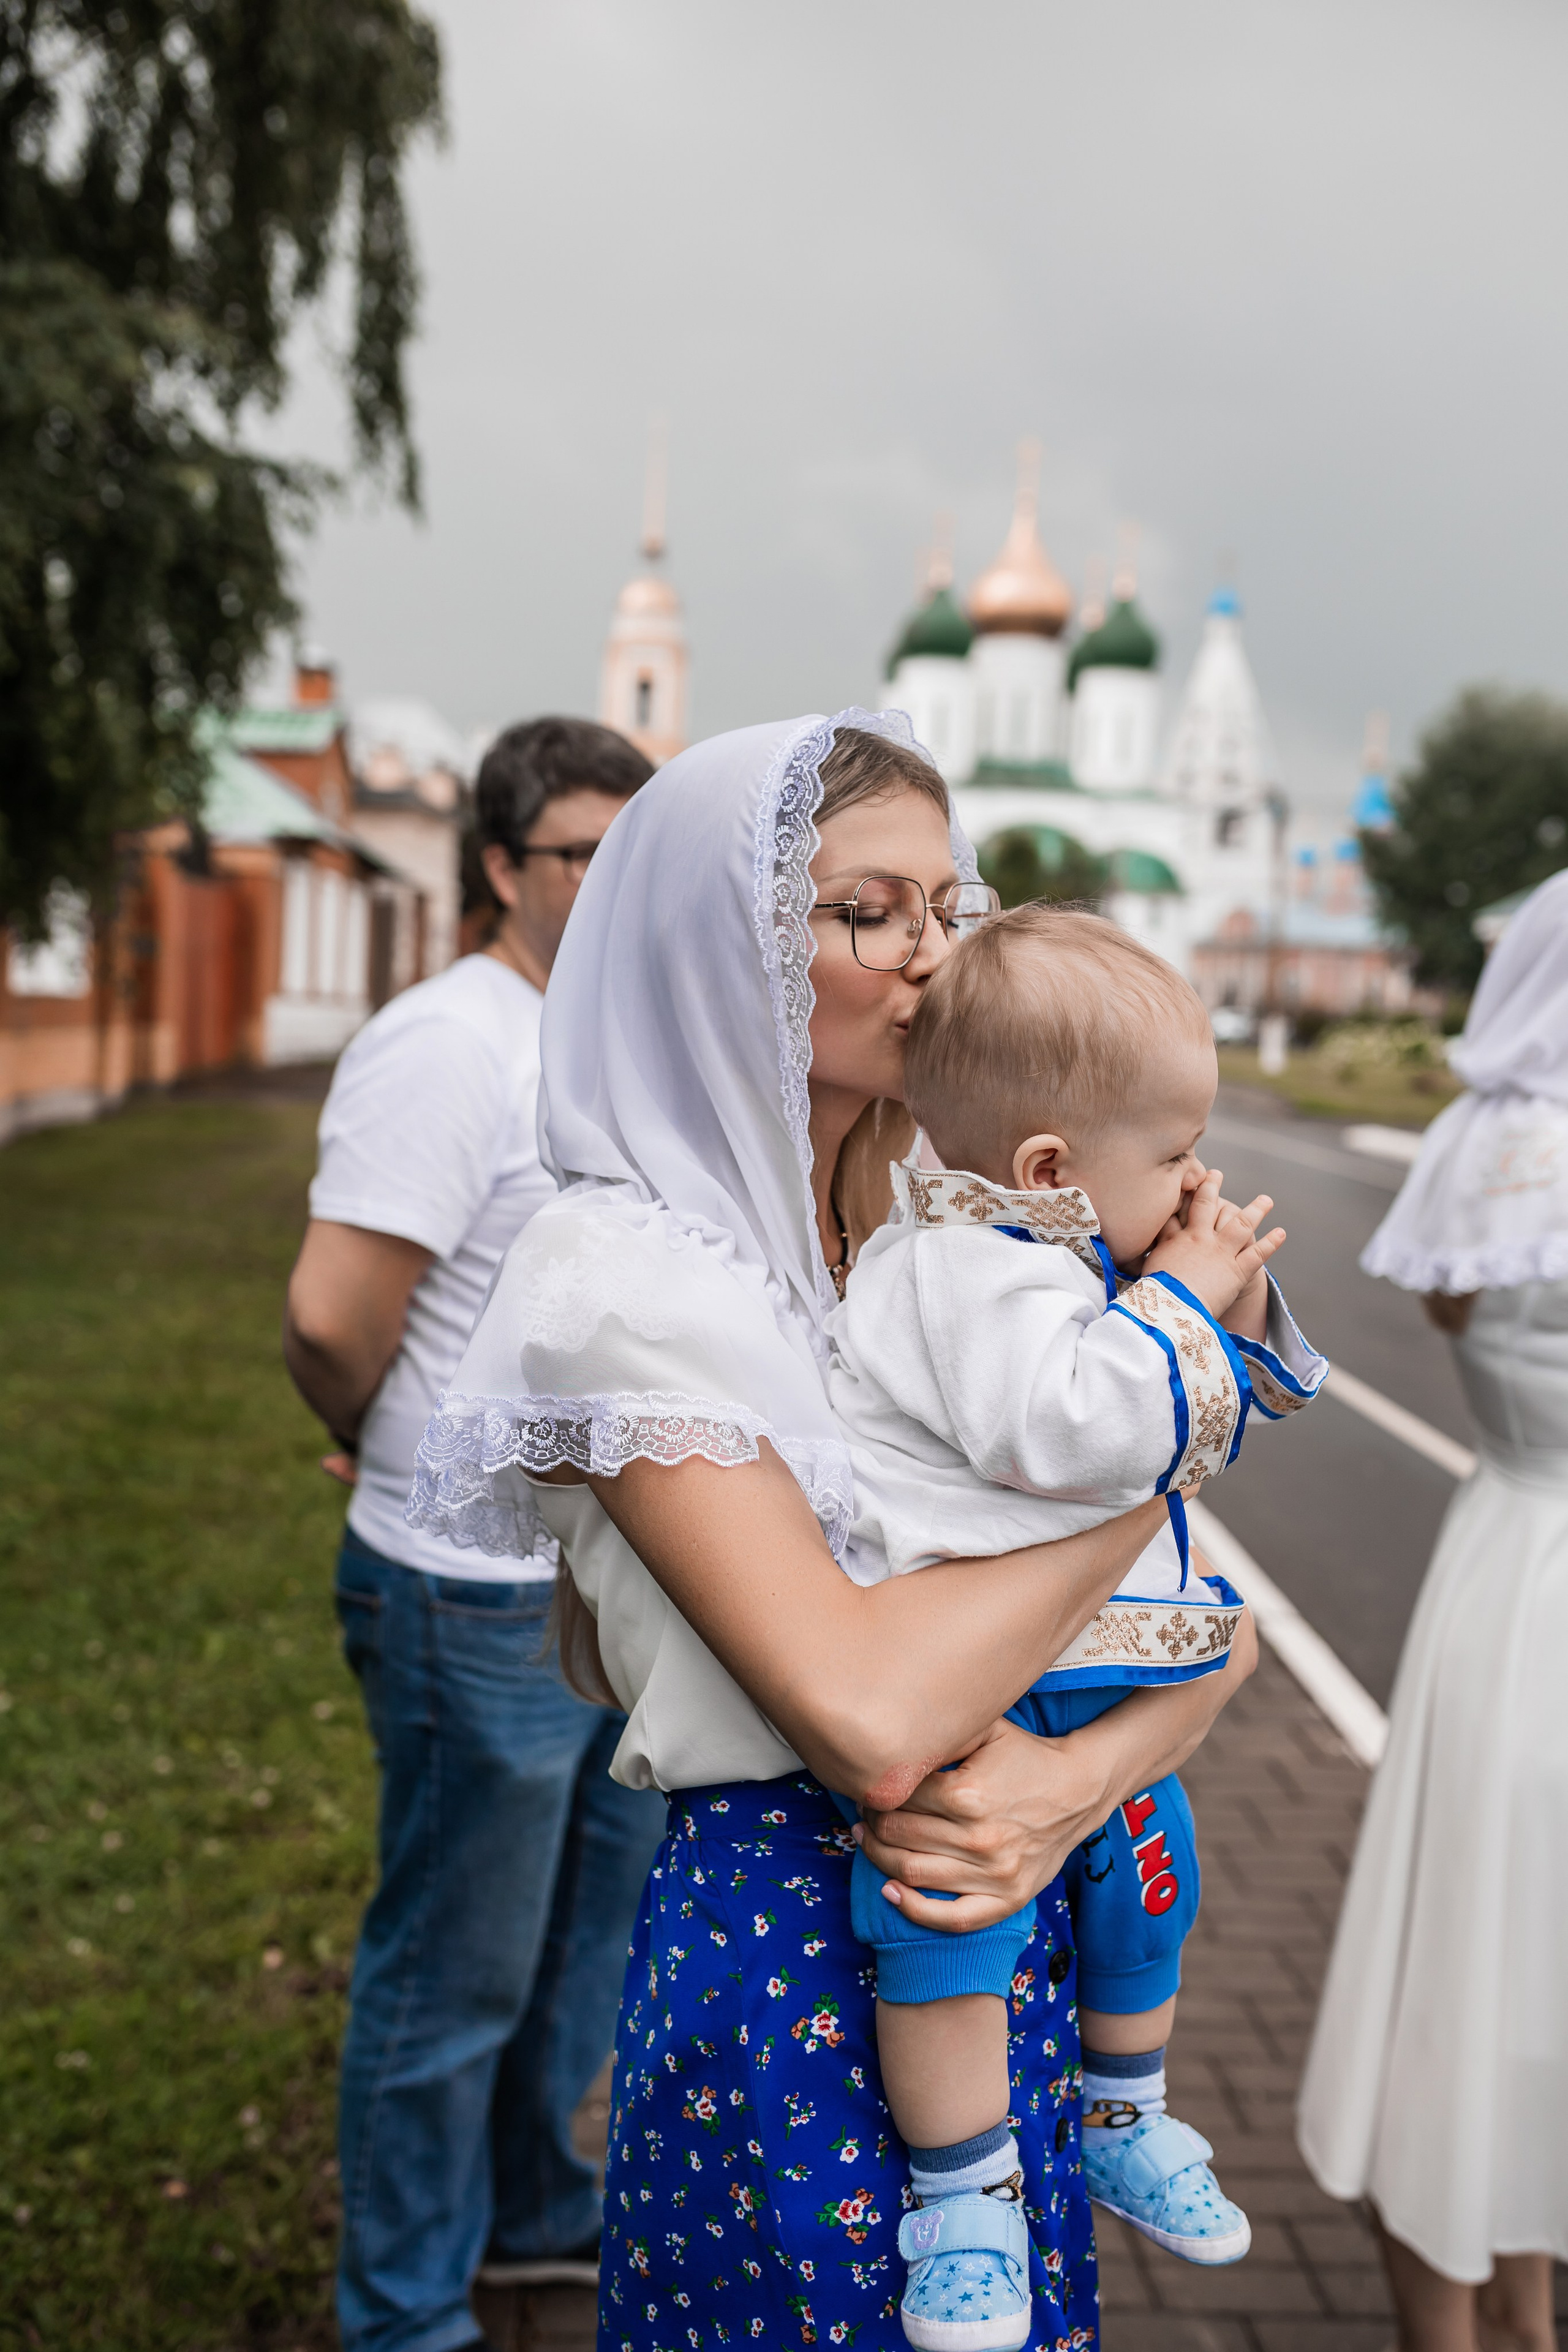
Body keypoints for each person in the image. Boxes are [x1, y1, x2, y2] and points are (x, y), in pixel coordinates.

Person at [408, 711, 1259, 2350]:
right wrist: (1156, 1454)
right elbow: (867, 1719)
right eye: (871, 911)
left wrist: (1067, 1788)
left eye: (950, 907)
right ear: (718, 946)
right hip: (792, 1941)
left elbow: (1218, 1631)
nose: (936, 957)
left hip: (988, 1904)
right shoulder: (621, 1283)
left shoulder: (927, 1232)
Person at [823, 903, 1326, 2341]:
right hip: (973, 1665)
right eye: (1170, 1155)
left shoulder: (1051, 1243)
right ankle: (963, 2204)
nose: (1191, 1180)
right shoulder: (960, 1267)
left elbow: (1227, 1398)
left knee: (1147, 1873)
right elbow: (1063, 1428)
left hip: (1079, 1655)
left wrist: (1211, 1291)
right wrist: (1171, 1294)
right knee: (943, 1925)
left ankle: (1122, 2110)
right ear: (1047, 1168)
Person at [283, 717, 667, 2352]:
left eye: (637, 849)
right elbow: (328, 1317)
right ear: (502, 867)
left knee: (581, 1945)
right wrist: (378, 1440)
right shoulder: (454, 1045)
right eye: (586, 850)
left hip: (606, 1589)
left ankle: (527, 2210)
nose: (616, 881)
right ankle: (405, 2314)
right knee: (453, 1980)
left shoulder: (618, 1039)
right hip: (469, 1597)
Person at [1297, 868, 1568, 2352]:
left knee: (1468, 1951)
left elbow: (1453, 1312)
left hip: (1511, 1562)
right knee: (1538, 1971)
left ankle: (1483, 2321)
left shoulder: (1488, 1145)